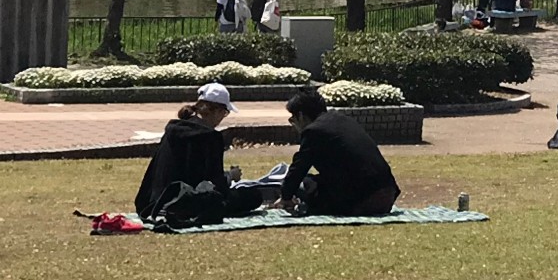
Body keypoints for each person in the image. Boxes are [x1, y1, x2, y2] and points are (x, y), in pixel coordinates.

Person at [135, 83, 270, 220]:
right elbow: (216, 183)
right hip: (185, 203)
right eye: (224, 113)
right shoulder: (210, 136)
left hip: (153, 202)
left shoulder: (173, 129)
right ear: (217, 111)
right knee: (252, 196)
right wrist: (230, 176)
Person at [279, 88, 400, 216]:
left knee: (305, 185)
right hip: (387, 193)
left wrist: (285, 197)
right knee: (312, 182)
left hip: (362, 199)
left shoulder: (313, 132)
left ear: (301, 115)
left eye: (293, 118)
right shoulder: (343, 120)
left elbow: (298, 168)